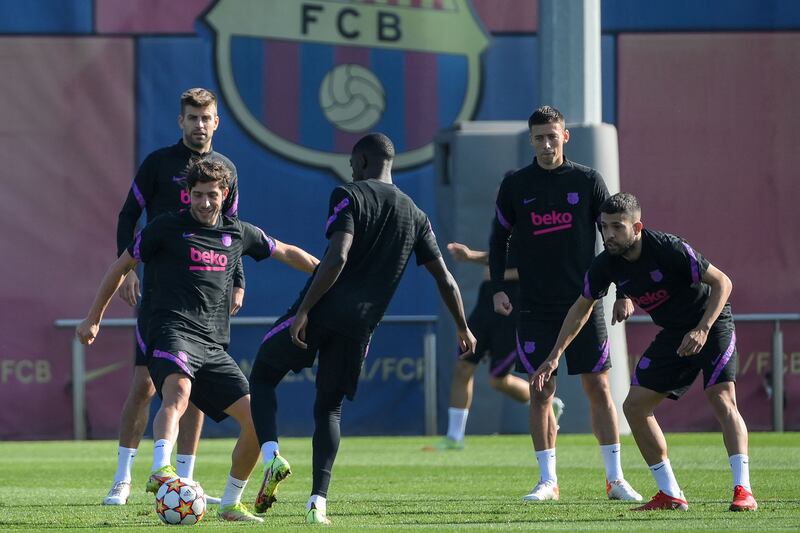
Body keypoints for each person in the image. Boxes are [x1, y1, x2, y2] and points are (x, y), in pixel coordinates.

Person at [248, 133, 477, 525]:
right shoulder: (416, 215)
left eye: (354, 164)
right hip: (359, 328)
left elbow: (337, 257)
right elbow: (446, 280)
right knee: (330, 408)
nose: (352, 171)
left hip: (321, 311)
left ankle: (271, 457)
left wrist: (304, 310)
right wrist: (463, 327)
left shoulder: (348, 195)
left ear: (364, 162)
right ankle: (318, 503)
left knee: (263, 375)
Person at [76, 158, 319, 522]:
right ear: (187, 195)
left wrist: (328, 272)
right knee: (178, 392)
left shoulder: (238, 232)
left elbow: (285, 251)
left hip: (212, 342)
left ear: (224, 194)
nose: (205, 203)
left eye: (212, 195)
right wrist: (93, 318)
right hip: (170, 329)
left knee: (257, 420)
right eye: (198, 195)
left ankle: (231, 503)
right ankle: (162, 468)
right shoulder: (166, 227)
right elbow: (120, 267)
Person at [532, 193, 757, 512]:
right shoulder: (605, 264)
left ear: (637, 227)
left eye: (617, 227)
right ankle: (671, 494)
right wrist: (555, 355)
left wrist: (703, 329)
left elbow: (723, 283)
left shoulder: (667, 247)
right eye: (604, 227)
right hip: (674, 334)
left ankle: (743, 490)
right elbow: (581, 308)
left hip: (711, 322)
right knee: (635, 407)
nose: (609, 234)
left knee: (721, 397)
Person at [489, 106, 641, 502]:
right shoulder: (516, 185)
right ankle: (547, 482)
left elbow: (616, 236)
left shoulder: (588, 180)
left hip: (585, 302)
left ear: (565, 136)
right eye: (539, 137)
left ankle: (615, 480)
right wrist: (497, 288)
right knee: (540, 390)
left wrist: (624, 292)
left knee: (598, 386)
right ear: (531, 140)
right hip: (534, 306)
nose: (546, 144)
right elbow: (497, 240)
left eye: (552, 136)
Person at [105, 88, 242, 506]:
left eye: (207, 118)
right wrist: (125, 269)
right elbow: (128, 214)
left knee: (196, 388)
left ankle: (183, 480)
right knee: (145, 384)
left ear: (217, 122)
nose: (199, 125)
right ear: (180, 122)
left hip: (208, 295)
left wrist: (239, 280)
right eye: (192, 118)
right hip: (162, 299)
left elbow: (233, 232)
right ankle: (123, 476)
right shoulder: (158, 165)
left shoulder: (226, 170)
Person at [429, 240, 564, 450]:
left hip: (512, 309)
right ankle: (454, 437)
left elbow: (537, 264)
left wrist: (488, 267)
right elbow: (500, 257)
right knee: (463, 366)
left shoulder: (535, 225)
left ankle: (548, 403)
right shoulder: (505, 225)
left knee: (497, 380)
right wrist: (470, 255)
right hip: (486, 304)